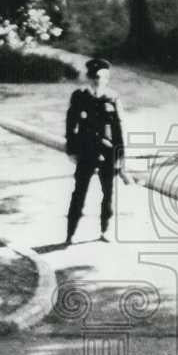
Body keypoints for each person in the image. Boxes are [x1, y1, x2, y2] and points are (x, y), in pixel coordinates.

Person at [64, 57, 129, 244]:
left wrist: (120, 155)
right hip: (85, 151)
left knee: (108, 192)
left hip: (107, 152)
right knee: (79, 192)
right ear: (89, 77)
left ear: (106, 79)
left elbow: (119, 128)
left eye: (100, 77)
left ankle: (104, 230)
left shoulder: (112, 98)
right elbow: (71, 125)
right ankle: (70, 233)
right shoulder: (80, 96)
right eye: (93, 77)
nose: (97, 80)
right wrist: (71, 150)